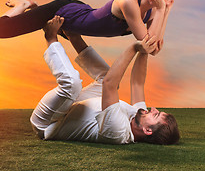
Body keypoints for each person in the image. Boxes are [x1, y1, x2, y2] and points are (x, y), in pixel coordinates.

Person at [30, 15, 180, 145]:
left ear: (147, 130)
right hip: (71, 109)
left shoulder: (117, 132)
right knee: (103, 77)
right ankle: (73, 36)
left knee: (72, 83)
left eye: (155, 115)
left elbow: (110, 85)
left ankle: (50, 37)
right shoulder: (136, 115)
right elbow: (137, 83)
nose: (153, 109)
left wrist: (134, 48)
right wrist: (145, 50)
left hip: (49, 123)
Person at [0, 0, 176, 55]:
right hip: (64, 11)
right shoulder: (128, 1)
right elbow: (147, 42)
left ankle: (35, 9)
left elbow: (153, 50)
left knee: (73, 37)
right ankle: (23, 5)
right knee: (1, 30)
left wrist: (165, 11)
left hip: (80, 16)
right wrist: (161, 10)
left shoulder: (153, 13)